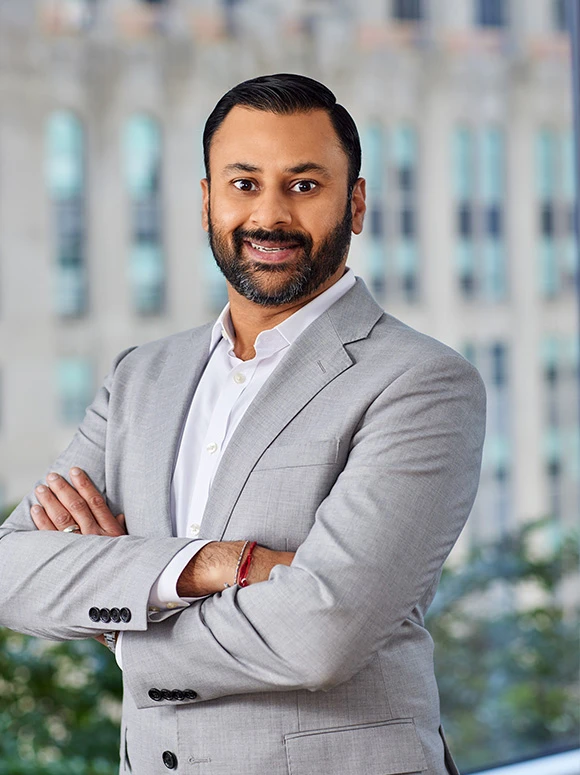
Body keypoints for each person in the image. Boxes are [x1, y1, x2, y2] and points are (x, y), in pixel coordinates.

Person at [0, 74, 486, 775]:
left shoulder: (422, 382)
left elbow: (325, 631)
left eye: (304, 185)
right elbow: (12, 570)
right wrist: (212, 564)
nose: (270, 215)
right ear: (206, 201)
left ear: (356, 204)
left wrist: (120, 610)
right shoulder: (141, 377)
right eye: (244, 183)